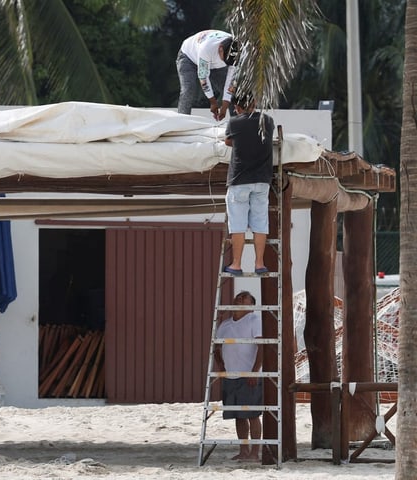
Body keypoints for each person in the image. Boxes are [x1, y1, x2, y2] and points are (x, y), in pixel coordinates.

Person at [223, 92, 274, 276]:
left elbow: (228, 141)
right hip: (262, 180)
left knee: (237, 224)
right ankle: (259, 264)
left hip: (240, 180)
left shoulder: (235, 122)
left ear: (236, 107)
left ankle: (236, 264)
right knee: (260, 223)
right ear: (254, 103)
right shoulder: (267, 121)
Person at [214, 290, 263, 461]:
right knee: (238, 416)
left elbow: (262, 347)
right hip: (230, 375)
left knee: (252, 414)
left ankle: (255, 452)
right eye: (238, 297)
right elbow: (217, 348)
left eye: (245, 298)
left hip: (248, 374)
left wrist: (254, 371)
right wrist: (221, 365)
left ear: (251, 306)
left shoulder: (254, 320)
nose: (240, 299)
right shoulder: (225, 324)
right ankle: (244, 450)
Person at [176, 30, 240, 117]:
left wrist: (224, 107)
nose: (227, 64)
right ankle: (182, 121)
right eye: (226, 60)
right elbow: (203, 77)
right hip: (189, 57)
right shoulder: (206, 49)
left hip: (214, 64)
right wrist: (213, 102)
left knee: (234, 94)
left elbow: (231, 83)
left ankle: (236, 122)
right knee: (189, 89)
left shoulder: (238, 50)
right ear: (220, 49)